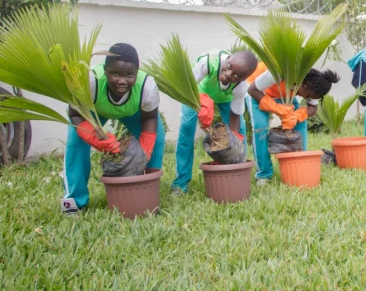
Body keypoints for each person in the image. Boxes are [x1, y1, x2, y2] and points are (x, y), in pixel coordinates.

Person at [61, 43, 165, 214]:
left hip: (133, 112)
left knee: (158, 139)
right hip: (93, 112)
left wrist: (145, 150)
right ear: (105, 70)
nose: (122, 81)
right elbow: (75, 114)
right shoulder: (90, 81)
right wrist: (93, 137)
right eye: (115, 74)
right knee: (75, 143)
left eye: (130, 75)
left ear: (137, 72)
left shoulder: (147, 86)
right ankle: (73, 202)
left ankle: (146, 192)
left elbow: (150, 118)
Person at [172, 50, 258, 194]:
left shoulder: (240, 87)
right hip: (195, 94)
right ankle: (181, 183)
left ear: (243, 79)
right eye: (229, 67)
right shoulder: (208, 63)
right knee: (186, 129)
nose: (228, 74)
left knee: (240, 131)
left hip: (224, 99)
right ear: (228, 58)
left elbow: (235, 114)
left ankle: (238, 171)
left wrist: (234, 139)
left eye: (236, 76)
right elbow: (186, 87)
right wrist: (202, 104)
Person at [246, 63, 340, 184]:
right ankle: (264, 174)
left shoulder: (316, 85)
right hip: (258, 91)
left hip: (284, 95)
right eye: (308, 95)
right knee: (260, 128)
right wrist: (276, 108)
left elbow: (312, 108)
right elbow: (252, 90)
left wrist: (296, 116)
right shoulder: (281, 71)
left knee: (301, 123)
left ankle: (299, 164)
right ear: (306, 84)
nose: (306, 98)